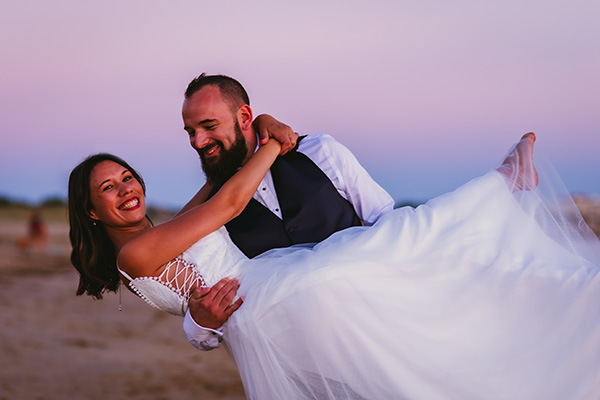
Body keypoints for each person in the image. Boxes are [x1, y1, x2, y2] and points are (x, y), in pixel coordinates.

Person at [69, 132, 600, 399]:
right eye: (109, 188)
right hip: (267, 296)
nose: (127, 189)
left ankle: (504, 189)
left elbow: (215, 186)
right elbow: (228, 204)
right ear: (92, 211)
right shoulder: (134, 254)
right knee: (388, 242)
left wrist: (258, 136)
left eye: (128, 177)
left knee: (392, 255)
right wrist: (273, 144)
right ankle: (500, 184)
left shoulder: (159, 235)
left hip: (265, 301)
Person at [178, 74, 395, 349]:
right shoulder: (211, 211)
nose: (198, 141)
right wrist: (199, 324)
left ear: (245, 117)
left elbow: (388, 225)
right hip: (302, 361)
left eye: (208, 126)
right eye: (190, 131)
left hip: (376, 327)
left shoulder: (320, 151)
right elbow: (208, 333)